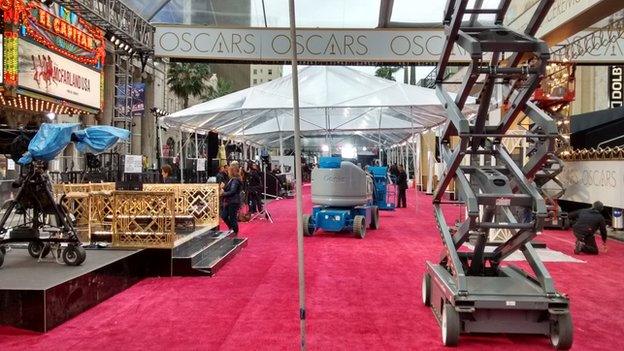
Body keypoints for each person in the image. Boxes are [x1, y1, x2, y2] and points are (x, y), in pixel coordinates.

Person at [220, 163, 243, 235]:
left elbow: (232, 191)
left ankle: (235, 231)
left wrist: (223, 193)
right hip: (230, 201)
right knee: (224, 216)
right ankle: (232, 229)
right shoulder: (232, 179)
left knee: (232, 218)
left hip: (233, 201)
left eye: (230, 169)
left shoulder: (235, 180)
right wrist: (223, 188)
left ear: (232, 171)